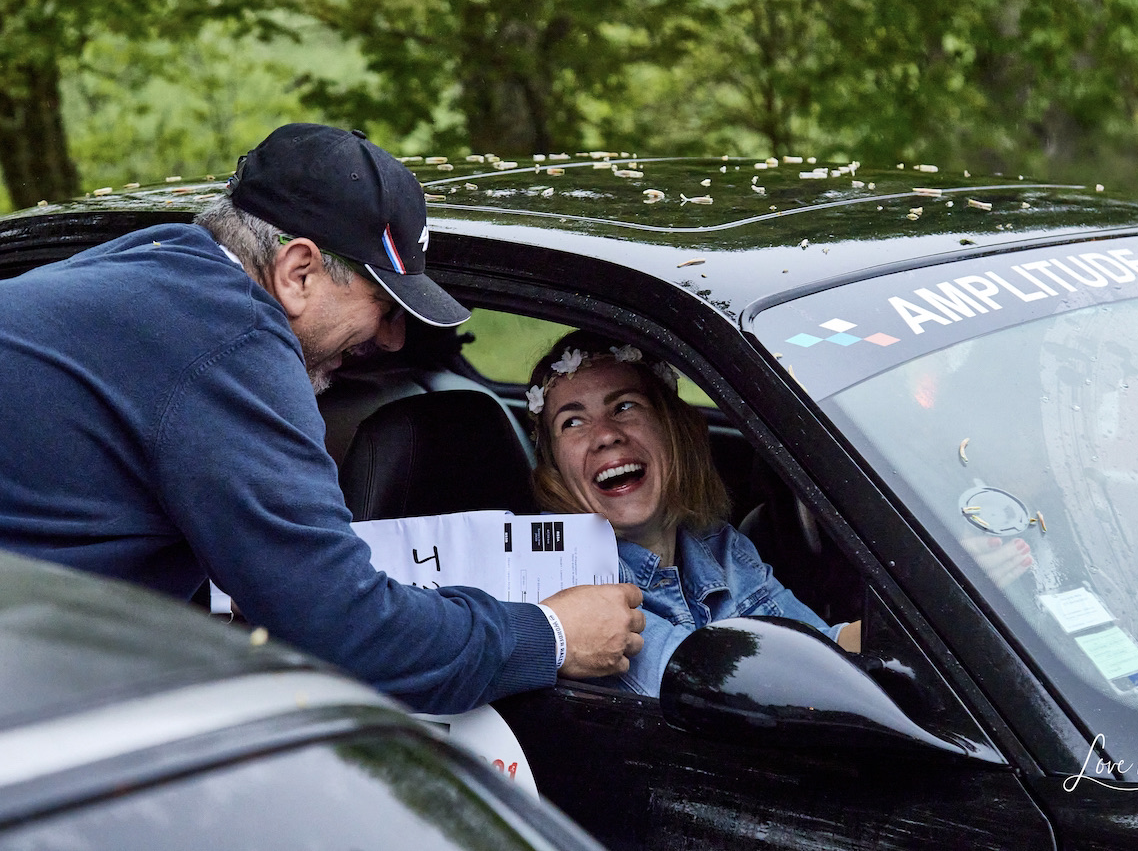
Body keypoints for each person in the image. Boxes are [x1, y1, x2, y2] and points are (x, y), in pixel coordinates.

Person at [0, 124, 644, 714]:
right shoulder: (231, 343)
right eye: (382, 305)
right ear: (299, 271)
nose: (393, 341)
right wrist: (551, 634)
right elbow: (349, 634)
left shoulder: (159, 264)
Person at [525, 330, 860, 696]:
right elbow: (707, 689)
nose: (605, 435)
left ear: (672, 429)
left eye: (624, 406)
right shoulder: (568, 581)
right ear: (555, 468)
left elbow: (825, 648)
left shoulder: (718, 545)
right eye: (572, 422)